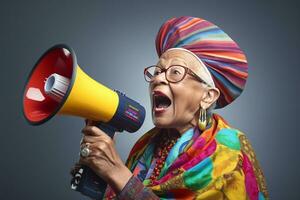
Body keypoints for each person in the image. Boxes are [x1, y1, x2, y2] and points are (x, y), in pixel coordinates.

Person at [72, 16, 269, 200]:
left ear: (208, 96)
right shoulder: (147, 144)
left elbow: (129, 186)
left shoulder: (230, 153)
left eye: (175, 72)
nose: (157, 78)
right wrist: (103, 178)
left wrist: (118, 173)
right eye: (157, 71)